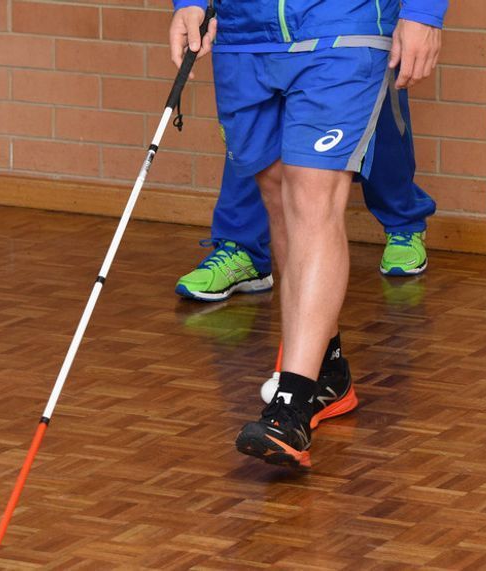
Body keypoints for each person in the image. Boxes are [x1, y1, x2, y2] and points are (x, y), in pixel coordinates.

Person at [168, 0, 447, 471]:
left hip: (343, 24)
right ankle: (329, 372)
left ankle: (291, 405)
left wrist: (424, 11)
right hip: (243, 32)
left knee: (313, 194)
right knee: (278, 195)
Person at [175, 85, 435, 302]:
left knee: (377, 115)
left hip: (355, 27)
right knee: (255, 121)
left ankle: (403, 221)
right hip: (265, 28)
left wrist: (420, 20)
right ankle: (243, 248)